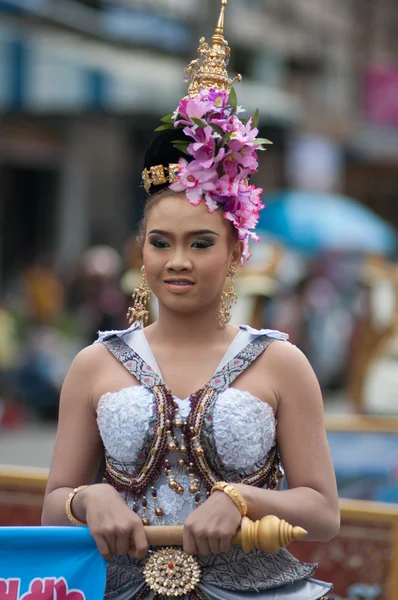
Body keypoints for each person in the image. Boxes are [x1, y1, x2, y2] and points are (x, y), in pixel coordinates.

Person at [42, 3, 339, 599]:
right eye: (161, 242)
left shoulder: (280, 363)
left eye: (201, 243)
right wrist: (87, 497)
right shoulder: (95, 364)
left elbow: (324, 513)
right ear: (141, 252)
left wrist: (242, 498)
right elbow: (52, 505)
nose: (178, 260)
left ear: (235, 253)